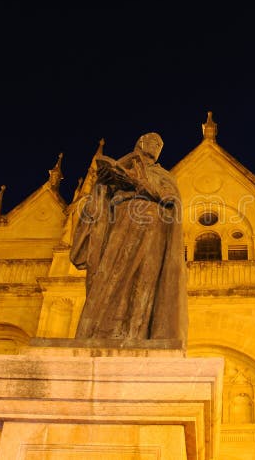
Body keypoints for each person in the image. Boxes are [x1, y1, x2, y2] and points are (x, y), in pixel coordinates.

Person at [70, 132, 187, 344]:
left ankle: (136, 331)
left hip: (153, 231)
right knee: (111, 277)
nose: (156, 145)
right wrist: (100, 186)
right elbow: (99, 204)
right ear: (140, 142)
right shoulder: (124, 164)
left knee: (144, 282)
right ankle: (102, 331)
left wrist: (142, 184)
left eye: (159, 144)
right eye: (151, 140)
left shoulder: (164, 175)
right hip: (120, 226)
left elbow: (171, 199)